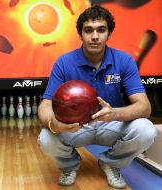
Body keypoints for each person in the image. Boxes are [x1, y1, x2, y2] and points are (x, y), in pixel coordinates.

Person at [37, 5, 157, 189]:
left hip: (112, 123)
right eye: (88, 30)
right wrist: (55, 124)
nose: (95, 36)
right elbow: (45, 106)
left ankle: (111, 162)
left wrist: (114, 114)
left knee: (146, 130)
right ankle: (69, 166)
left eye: (101, 30)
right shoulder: (64, 62)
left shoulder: (124, 61)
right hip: (75, 127)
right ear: (80, 35)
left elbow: (144, 107)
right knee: (46, 137)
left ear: (109, 34)